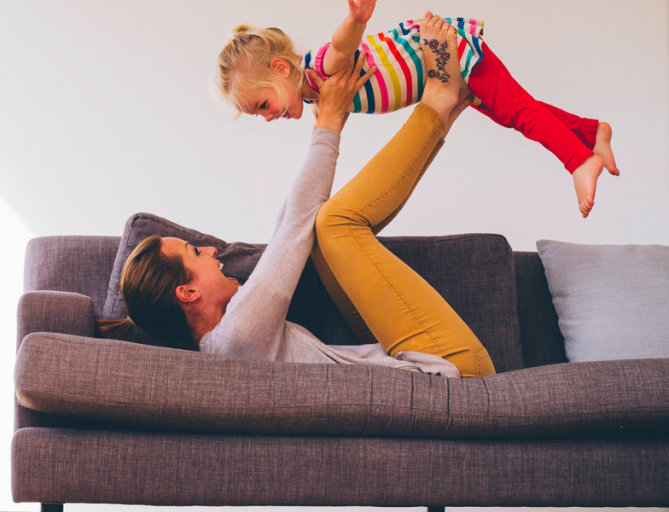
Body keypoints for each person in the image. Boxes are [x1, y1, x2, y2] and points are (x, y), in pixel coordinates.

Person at [98, 15, 495, 378]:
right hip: (448, 374)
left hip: (415, 365)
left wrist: (326, 122)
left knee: (321, 231)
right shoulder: (237, 337)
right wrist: (331, 123)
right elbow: (292, 231)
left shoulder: (231, 339)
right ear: (188, 293)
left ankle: (441, 111)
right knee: (333, 223)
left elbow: (290, 225)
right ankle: (438, 101)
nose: (211, 252)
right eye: (194, 252)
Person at [216, 4, 619, 218]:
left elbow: (342, 46)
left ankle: (578, 160)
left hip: (447, 53)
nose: (268, 117)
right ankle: (590, 132)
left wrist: (355, 18)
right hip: (443, 66)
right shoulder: (320, 99)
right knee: (512, 111)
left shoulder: (321, 68)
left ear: (282, 69)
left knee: (516, 110)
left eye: (262, 106)